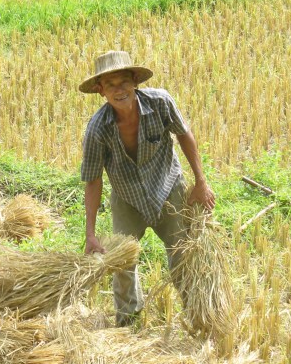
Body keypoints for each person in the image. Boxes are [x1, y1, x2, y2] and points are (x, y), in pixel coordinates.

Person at [80, 50, 215, 327]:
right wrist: (91, 234)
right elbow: (93, 179)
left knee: (183, 254)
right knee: (122, 264)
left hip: (168, 188)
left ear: (135, 82)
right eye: (111, 85)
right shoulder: (97, 129)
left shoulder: (160, 102)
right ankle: (128, 323)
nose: (119, 90)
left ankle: (197, 315)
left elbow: (184, 134)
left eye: (124, 82)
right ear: (100, 90)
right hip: (127, 198)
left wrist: (201, 182)